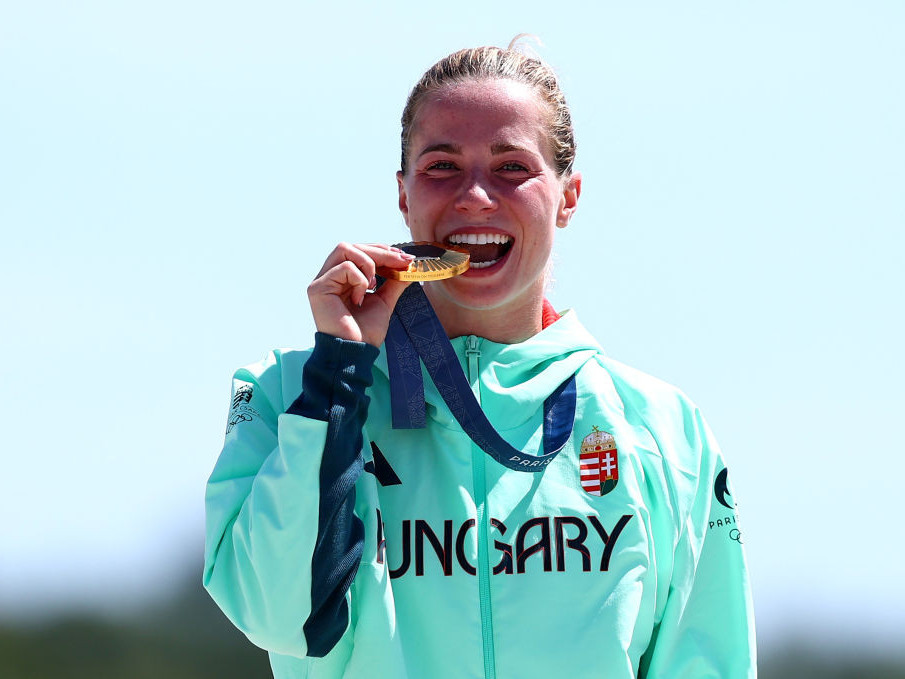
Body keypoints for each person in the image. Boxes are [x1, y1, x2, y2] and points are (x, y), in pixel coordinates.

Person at [203, 40, 756, 679]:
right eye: (441, 166)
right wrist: (341, 375)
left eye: (511, 167)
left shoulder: (663, 429)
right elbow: (281, 618)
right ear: (404, 196)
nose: (474, 197)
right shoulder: (288, 394)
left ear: (568, 196)